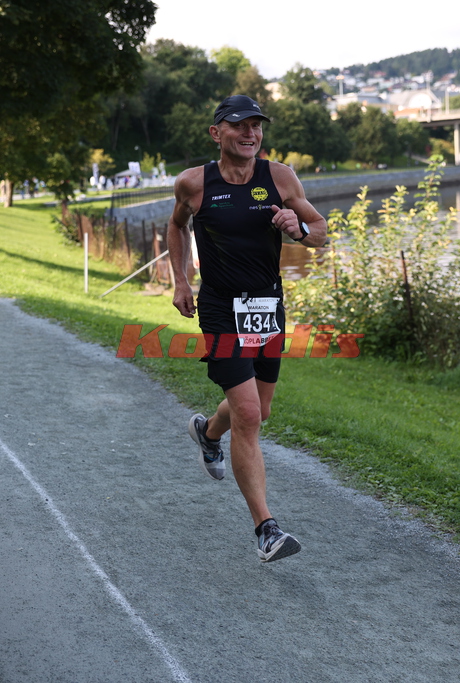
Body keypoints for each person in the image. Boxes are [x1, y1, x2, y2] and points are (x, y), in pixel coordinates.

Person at [167, 95, 327, 563]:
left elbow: (319, 232)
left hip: (266, 306)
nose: (250, 134)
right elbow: (176, 228)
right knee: (251, 416)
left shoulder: (279, 177)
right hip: (219, 308)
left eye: (256, 126)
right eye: (239, 125)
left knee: (259, 410)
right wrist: (181, 280)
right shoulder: (194, 184)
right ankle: (266, 528)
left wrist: (297, 228)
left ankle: (209, 433)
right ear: (216, 133)